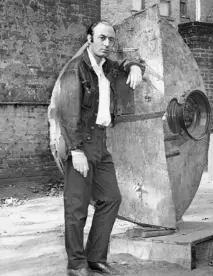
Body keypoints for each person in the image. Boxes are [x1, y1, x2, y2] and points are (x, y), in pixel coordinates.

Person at [54, 21, 144, 276]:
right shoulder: (77, 69)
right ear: (89, 38)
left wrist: (135, 66)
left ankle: (95, 257)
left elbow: (128, 58)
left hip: (101, 143)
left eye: (110, 39)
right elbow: (66, 112)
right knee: (77, 206)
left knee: (111, 198)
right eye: (102, 38)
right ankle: (76, 263)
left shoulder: (107, 68)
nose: (106, 43)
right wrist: (76, 150)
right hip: (80, 142)